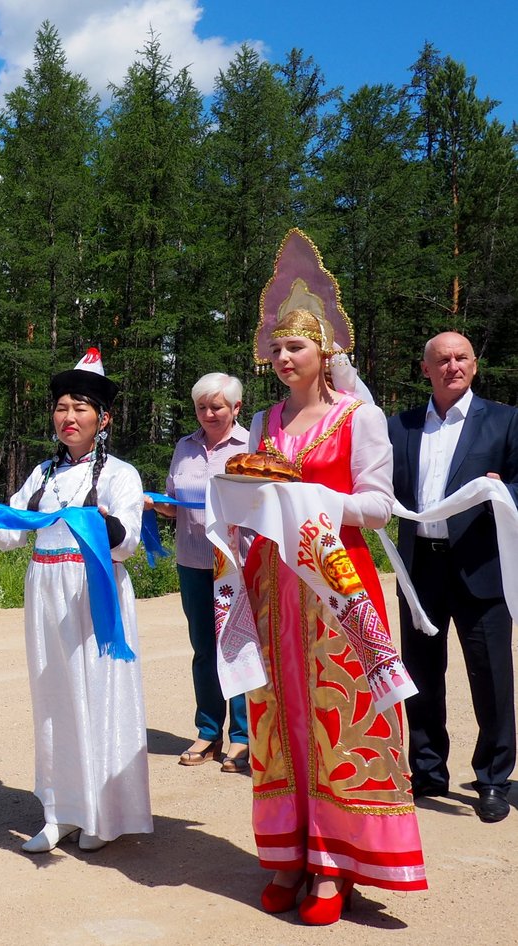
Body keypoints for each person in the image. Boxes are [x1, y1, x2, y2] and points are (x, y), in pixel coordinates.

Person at [238, 231, 425, 924]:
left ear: (327, 353)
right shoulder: (263, 420)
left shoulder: (360, 418)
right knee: (279, 716)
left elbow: (378, 507)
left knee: (338, 723)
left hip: (338, 584)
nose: (285, 359)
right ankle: (290, 852)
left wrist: (312, 499)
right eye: (278, 349)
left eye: (298, 348)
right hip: (273, 586)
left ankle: (335, 863)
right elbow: (259, 493)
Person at [0, 348, 152, 853]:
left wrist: (103, 521)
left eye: (82, 408)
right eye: (62, 408)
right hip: (46, 592)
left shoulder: (121, 475)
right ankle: (59, 811)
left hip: (95, 595)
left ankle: (100, 812)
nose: (69, 418)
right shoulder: (42, 475)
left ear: (103, 418)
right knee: (53, 700)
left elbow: (127, 541)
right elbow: (12, 530)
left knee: (96, 693)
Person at [388, 331, 518, 823]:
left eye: (461, 357)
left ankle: (492, 779)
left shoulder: (505, 421)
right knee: (420, 675)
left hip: (481, 567)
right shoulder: (399, 426)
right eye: (441, 359)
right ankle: (427, 771)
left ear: (474, 366)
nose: (452, 365)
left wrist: (503, 492)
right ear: (426, 369)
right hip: (420, 566)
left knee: (491, 678)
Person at [151, 373, 250, 772]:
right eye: (201, 407)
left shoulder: (252, 445)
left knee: (239, 647)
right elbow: (175, 503)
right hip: (192, 560)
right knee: (203, 649)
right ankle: (208, 732)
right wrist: (153, 504)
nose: (208, 414)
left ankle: (243, 737)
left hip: (238, 563)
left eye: (217, 407)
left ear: (236, 408)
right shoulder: (184, 446)